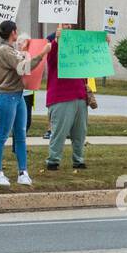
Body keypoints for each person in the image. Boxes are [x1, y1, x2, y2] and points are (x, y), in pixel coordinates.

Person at [0, 21, 51, 186]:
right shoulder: (5, 50)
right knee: (3, 135)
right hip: (7, 97)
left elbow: (23, 59)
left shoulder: (12, 49)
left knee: (21, 135)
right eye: (16, 30)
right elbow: (22, 68)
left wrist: (28, 50)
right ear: (12, 32)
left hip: (18, 96)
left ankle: (22, 172)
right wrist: (42, 54)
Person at [43, 25, 89, 170]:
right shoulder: (52, 45)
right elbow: (51, 58)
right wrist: (57, 41)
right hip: (61, 97)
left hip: (79, 95)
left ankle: (78, 159)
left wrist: (103, 43)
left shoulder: (77, 47)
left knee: (80, 133)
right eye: (64, 23)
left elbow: (90, 59)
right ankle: (53, 160)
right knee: (59, 132)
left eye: (69, 24)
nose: (68, 26)